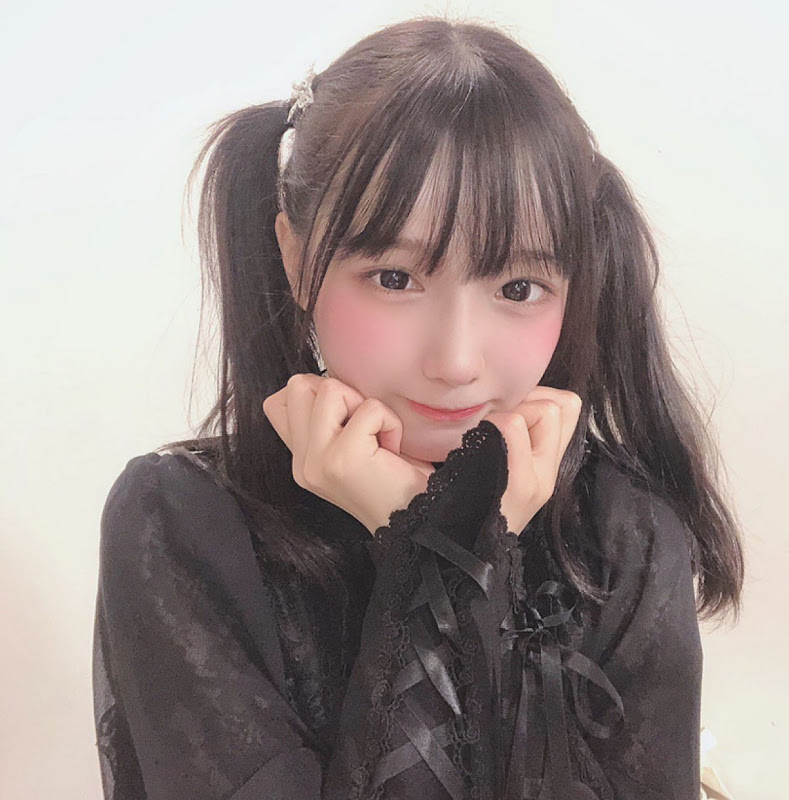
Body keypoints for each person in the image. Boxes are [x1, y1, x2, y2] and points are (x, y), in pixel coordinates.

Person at [92, 16, 745, 800]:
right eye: (395, 279)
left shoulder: (620, 536)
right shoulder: (183, 524)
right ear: (297, 259)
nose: (456, 362)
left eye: (518, 288)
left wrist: (441, 543)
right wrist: (441, 555)